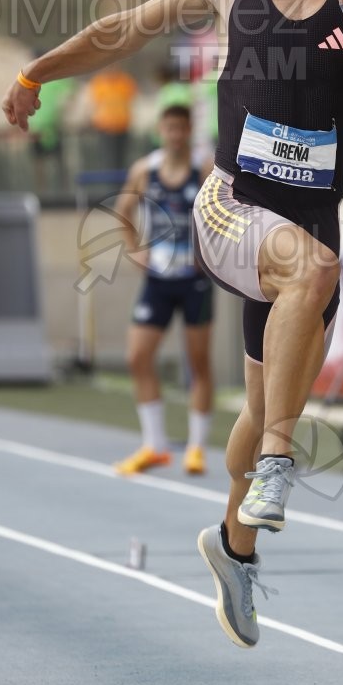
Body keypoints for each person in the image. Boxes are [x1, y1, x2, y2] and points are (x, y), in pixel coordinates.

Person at [2, 0, 343, 648]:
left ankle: (235, 549)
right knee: (314, 283)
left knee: (262, 410)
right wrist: (36, 72)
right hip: (231, 207)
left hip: (308, 226)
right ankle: (282, 470)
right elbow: (124, 30)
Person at [113, 103, 214, 476]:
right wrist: (135, 250)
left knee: (198, 361)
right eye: (168, 128)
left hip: (195, 279)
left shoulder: (203, 168)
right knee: (137, 356)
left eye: (180, 128)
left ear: (189, 130)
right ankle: (154, 444)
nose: (174, 135)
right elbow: (123, 212)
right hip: (158, 278)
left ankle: (197, 447)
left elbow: (225, 212)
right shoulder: (145, 170)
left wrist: (210, 257)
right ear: (161, 130)